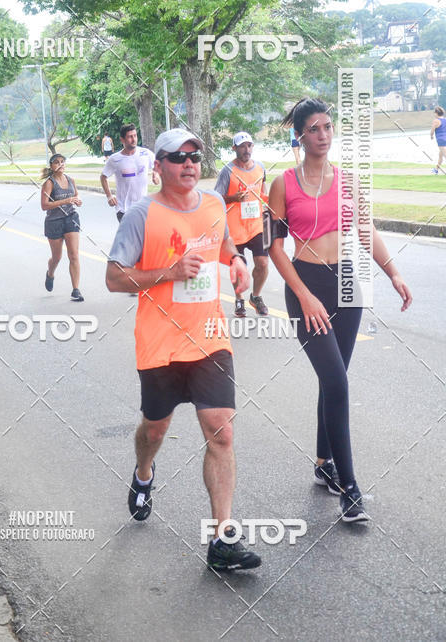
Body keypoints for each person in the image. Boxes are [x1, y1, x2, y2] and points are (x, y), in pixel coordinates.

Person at [106, 127, 260, 572]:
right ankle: (143, 474)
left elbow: (226, 243)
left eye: (195, 156)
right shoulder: (141, 215)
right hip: (160, 344)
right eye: (178, 157)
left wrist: (236, 262)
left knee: (222, 431)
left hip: (211, 336)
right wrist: (169, 272)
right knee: (155, 430)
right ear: (159, 168)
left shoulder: (213, 205)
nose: (189, 164)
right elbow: (115, 279)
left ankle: (222, 539)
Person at [268, 98, 412, 522]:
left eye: (328, 127)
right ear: (300, 134)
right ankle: (350, 488)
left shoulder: (347, 181)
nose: (324, 135)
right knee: (337, 381)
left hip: (349, 284)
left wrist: (393, 273)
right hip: (306, 285)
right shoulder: (283, 184)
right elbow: (273, 247)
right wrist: (303, 293)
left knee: (335, 379)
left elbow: (365, 229)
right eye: (314, 128)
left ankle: (322, 464)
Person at [214, 131, 269, 317]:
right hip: (235, 229)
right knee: (239, 267)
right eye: (242, 146)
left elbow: (263, 193)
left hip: (256, 226)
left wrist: (272, 203)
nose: (247, 149)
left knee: (262, 263)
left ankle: (256, 296)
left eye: (249, 145)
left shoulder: (261, 167)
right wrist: (231, 198)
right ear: (234, 148)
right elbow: (216, 199)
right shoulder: (227, 171)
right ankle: (239, 299)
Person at [41, 154, 84, 302]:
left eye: (62, 162)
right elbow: (44, 205)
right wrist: (65, 200)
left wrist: (77, 201)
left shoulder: (71, 180)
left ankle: (76, 290)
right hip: (54, 221)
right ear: (51, 166)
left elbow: (76, 195)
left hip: (71, 218)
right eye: (56, 162)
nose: (60, 164)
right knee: (57, 257)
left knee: (73, 255)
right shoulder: (49, 183)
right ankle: (50, 273)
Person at [100, 124, 159, 222]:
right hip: (124, 210)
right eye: (130, 137)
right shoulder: (114, 159)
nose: (134, 139)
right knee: (131, 237)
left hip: (142, 208)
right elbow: (103, 177)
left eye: (135, 135)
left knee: (145, 236)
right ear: (122, 140)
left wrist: (155, 173)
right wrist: (109, 196)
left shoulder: (145, 153)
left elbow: (157, 164)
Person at [429, 106, 446, 173]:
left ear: (436, 113)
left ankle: (436, 169)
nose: (434, 114)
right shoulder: (445, 119)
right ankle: (436, 169)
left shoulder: (436, 121)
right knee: (440, 155)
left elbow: (432, 131)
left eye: (434, 113)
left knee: (445, 155)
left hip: (441, 139)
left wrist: (431, 136)